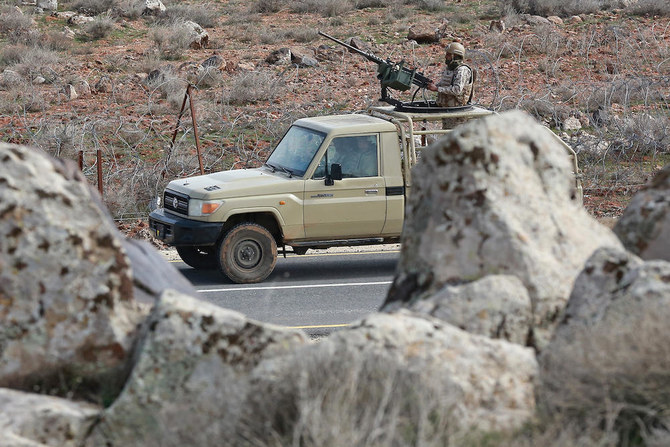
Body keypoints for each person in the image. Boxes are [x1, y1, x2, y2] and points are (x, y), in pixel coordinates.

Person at [427, 41, 475, 108]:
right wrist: (433, 85)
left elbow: (457, 90)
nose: (446, 56)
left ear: (455, 56)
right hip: (445, 107)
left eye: (448, 54)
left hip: (456, 110)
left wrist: (437, 89)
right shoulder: (450, 68)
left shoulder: (462, 70)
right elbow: (444, 85)